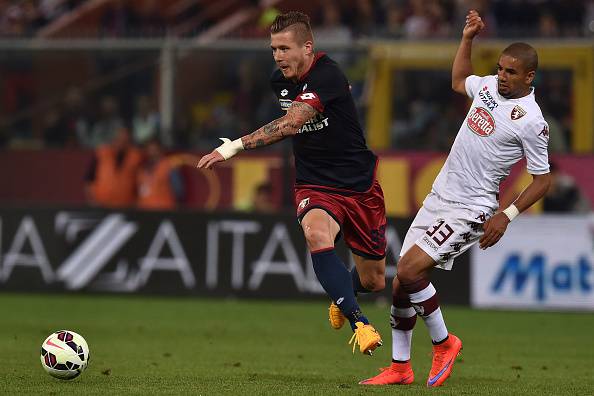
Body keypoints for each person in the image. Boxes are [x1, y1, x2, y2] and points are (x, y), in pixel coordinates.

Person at [360, 10, 551, 387]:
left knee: (411, 271)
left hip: (472, 207)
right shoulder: (487, 88)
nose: (502, 76)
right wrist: (466, 40)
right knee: (401, 285)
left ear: (530, 76)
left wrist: (506, 214)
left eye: (511, 72)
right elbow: (459, 79)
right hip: (439, 196)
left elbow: (543, 179)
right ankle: (400, 368)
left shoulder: (532, 120)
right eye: (500, 69)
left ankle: (445, 343)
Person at [198, 11, 387, 356]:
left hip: (358, 184)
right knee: (316, 234)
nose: (278, 56)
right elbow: (292, 122)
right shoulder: (279, 81)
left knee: (374, 280)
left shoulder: (328, 75)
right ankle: (359, 323)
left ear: (307, 47)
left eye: (285, 48)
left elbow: (290, 124)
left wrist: (234, 147)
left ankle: (344, 295)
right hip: (314, 183)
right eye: (273, 49)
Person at [85, 127, 143, 208]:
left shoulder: (136, 157)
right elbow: (89, 179)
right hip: (102, 206)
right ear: (113, 140)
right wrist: (92, 200)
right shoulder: (101, 153)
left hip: (126, 207)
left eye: (125, 141)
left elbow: (142, 182)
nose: (122, 143)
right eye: (119, 139)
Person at [137, 137, 184, 210]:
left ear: (160, 150)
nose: (151, 153)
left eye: (154, 150)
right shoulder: (142, 170)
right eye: (149, 150)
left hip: (164, 212)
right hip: (145, 214)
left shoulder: (169, 167)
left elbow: (179, 192)